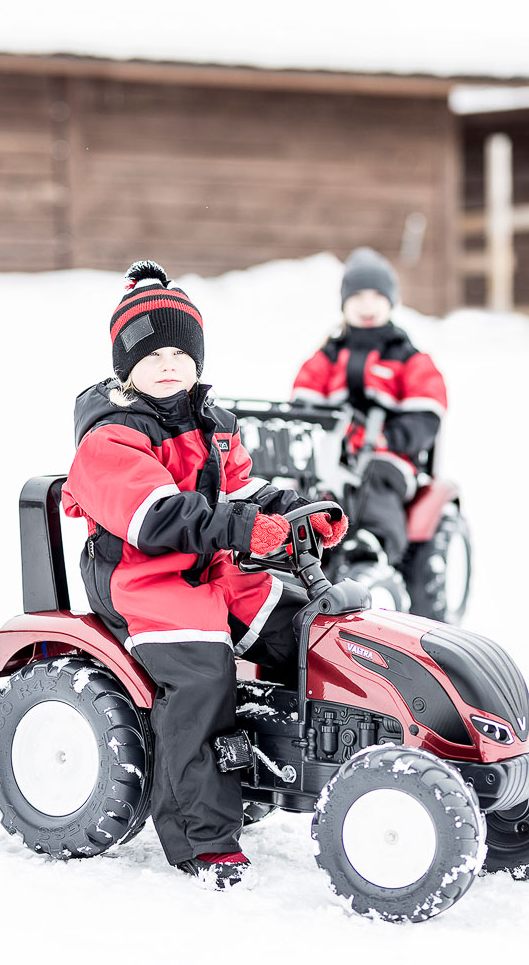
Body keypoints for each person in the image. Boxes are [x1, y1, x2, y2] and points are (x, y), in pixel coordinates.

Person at [62, 260, 348, 892]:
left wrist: (290, 514)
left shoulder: (213, 424)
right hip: (145, 578)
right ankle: (201, 835)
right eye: (151, 352)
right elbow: (156, 516)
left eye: (180, 351)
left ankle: (302, 756)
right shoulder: (109, 436)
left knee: (304, 625)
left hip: (214, 568)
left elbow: (243, 491)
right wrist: (240, 528)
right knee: (199, 672)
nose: (169, 362)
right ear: (124, 366)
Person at [291, 247, 446, 571]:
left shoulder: (410, 358)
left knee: (374, 481)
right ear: (344, 303)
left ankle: (374, 544)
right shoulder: (326, 357)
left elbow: (426, 412)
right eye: (358, 296)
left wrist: (390, 438)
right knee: (310, 487)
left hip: (389, 457)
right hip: (334, 454)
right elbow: (302, 403)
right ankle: (303, 549)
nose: (367, 306)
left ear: (391, 302)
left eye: (377, 296)